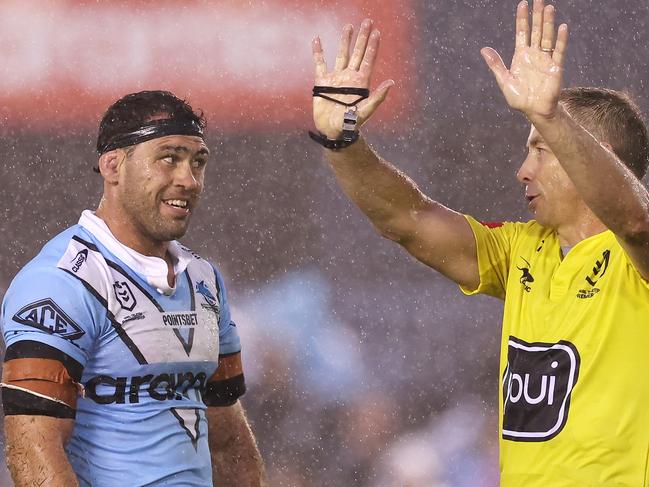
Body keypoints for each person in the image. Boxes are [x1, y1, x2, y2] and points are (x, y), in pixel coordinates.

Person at [311, 1, 649, 485]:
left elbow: (635, 221)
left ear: (601, 156)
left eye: (541, 150)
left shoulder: (634, 252)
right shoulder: (521, 251)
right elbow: (407, 218)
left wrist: (549, 116)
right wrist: (342, 142)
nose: (522, 171)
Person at [1, 91, 265, 486]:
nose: (188, 180)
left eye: (198, 161)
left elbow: (228, 442)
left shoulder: (205, 281)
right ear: (112, 166)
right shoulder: (59, 282)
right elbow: (33, 450)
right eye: (168, 158)